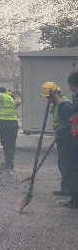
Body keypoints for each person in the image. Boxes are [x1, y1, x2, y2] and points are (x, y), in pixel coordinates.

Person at [48, 74, 78, 207]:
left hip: (69, 138)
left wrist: (58, 99)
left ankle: (74, 200)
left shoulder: (70, 100)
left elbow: (69, 112)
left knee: (70, 167)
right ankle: (73, 197)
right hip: (72, 136)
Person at [0, 85, 20, 169]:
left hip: (4, 124)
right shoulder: (10, 97)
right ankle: (10, 162)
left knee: (6, 144)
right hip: (14, 123)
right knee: (11, 144)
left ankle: (8, 164)